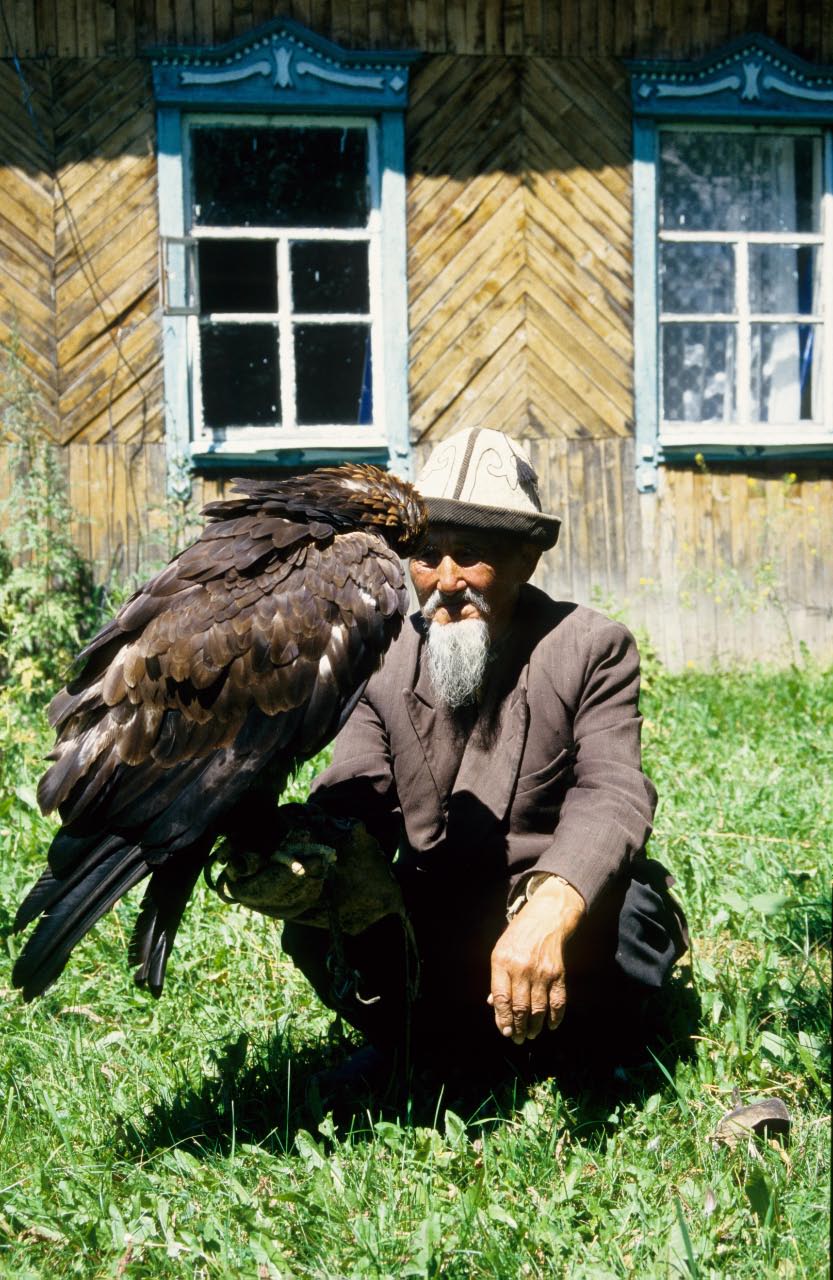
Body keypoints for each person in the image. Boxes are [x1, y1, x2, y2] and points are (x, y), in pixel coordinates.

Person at [229, 428, 688, 1082]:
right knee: (327, 920)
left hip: (550, 923)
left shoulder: (589, 646)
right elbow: (355, 791)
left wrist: (552, 907)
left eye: (470, 555)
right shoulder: (381, 660)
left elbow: (612, 792)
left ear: (526, 559)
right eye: (424, 557)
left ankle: (578, 1054)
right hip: (436, 921)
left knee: (633, 913)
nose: (444, 581)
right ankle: (419, 1050)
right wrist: (305, 852)